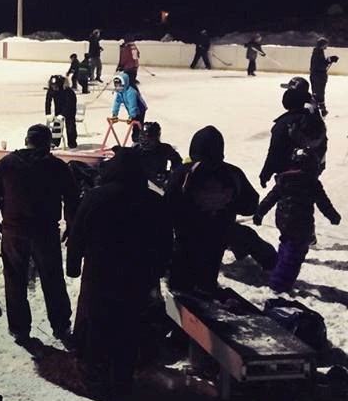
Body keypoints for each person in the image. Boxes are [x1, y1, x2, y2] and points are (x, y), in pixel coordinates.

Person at [67, 148, 172, 398]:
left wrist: (73, 266)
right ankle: (122, 380)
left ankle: (95, 377)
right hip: (137, 277)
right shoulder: (154, 200)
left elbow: (77, 234)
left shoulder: (96, 197)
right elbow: (165, 241)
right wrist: (157, 270)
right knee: (129, 327)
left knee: (97, 325)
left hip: (100, 275)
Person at [0, 124, 79, 347]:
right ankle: (61, 324)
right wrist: (72, 225)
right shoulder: (57, 166)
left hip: (14, 231)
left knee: (15, 279)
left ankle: (19, 328)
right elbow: (72, 199)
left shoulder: (7, 164)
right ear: (47, 143)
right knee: (52, 279)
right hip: (45, 232)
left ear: (26, 140)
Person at [165, 126, 258, 294]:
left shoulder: (184, 173)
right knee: (206, 284)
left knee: (180, 287)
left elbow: (168, 205)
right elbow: (251, 204)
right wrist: (228, 203)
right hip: (217, 239)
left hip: (186, 240)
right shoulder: (232, 173)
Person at [254, 150, 341, 292]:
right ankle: (278, 285)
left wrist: (259, 213)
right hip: (301, 225)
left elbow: (270, 198)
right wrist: (333, 216)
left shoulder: (284, 180)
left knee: (286, 245)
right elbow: (323, 203)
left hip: (283, 222)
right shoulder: (312, 183)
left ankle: (278, 269)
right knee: (294, 255)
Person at [259, 80, 327, 187]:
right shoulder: (312, 115)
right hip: (312, 166)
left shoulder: (284, 123)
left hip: (289, 173)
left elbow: (275, 151)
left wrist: (265, 173)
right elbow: (321, 138)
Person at [132, 121, 182, 189]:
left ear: (156, 137)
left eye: (147, 138)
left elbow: (177, 160)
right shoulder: (135, 150)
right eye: (142, 137)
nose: (143, 141)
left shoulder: (164, 149)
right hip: (139, 186)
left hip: (158, 186)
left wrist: (169, 175)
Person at [109, 72, 147, 143]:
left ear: (124, 83)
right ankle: (138, 141)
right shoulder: (120, 92)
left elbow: (133, 105)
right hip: (132, 110)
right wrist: (114, 114)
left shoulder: (131, 92)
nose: (118, 88)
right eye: (116, 85)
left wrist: (131, 116)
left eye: (119, 85)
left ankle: (140, 141)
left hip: (140, 110)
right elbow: (117, 103)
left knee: (137, 126)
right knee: (135, 126)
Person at [45, 75, 78, 148]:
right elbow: (48, 101)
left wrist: (63, 114)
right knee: (57, 124)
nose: (54, 88)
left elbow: (69, 104)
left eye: (55, 86)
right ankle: (54, 142)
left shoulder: (68, 91)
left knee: (70, 125)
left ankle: (72, 142)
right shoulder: (51, 89)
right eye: (53, 86)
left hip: (70, 108)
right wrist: (48, 113)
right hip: (58, 107)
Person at [310, 37, 338, 117]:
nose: (327, 46)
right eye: (326, 44)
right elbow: (321, 65)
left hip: (317, 76)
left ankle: (321, 110)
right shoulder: (318, 53)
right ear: (322, 45)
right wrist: (330, 60)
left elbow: (320, 64)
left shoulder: (318, 52)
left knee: (317, 93)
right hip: (318, 76)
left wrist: (329, 59)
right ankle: (321, 110)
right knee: (319, 93)